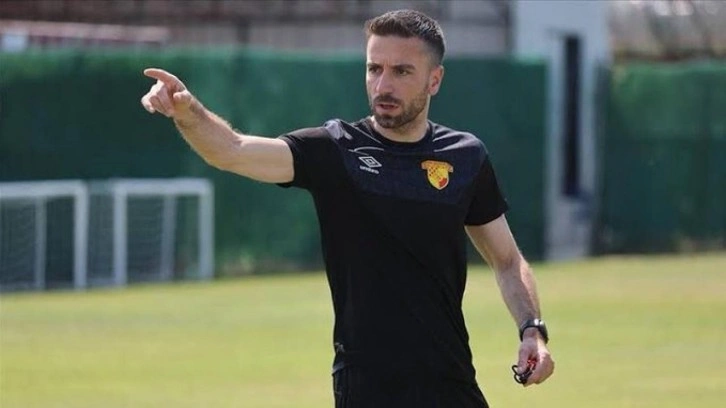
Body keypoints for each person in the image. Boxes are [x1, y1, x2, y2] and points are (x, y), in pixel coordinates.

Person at [141, 9, 554, 408]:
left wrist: (532, 330)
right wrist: (188, 111)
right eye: (374, 69)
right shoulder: (335, 149)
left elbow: (507, 260)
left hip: (452, 382)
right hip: (367, 389)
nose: (383, 85)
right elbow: (232, 150)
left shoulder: (465, 156)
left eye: (402, 71)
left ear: (435, 80)